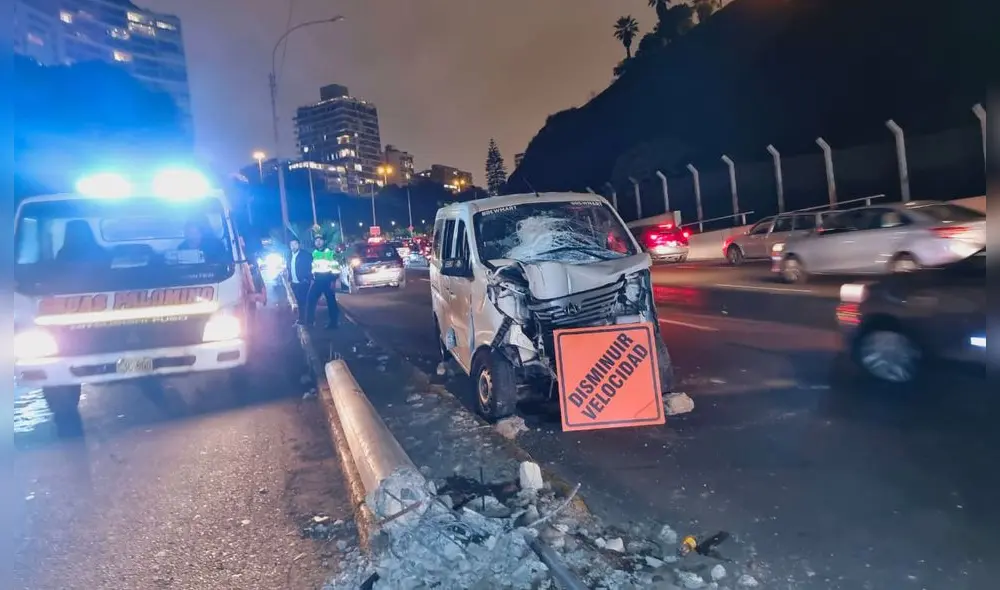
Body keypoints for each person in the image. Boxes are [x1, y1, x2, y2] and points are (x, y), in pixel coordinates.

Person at [305, 235, 341, 329]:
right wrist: (312, 278)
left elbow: (335, 268)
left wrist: (333, 281)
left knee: (331, 302)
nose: (318, 242)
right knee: (311, 299)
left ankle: (334, 323)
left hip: (328, 280)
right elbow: (313, 267)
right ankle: (310, 321)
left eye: (320, 240)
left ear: (324, 242)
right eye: (316, 240)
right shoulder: (314, 253)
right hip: (317, 281)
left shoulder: (329, 253)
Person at [287, 238, 312, 325]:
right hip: (294, 283)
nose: (293, 246)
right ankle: (302, 319)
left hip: (303, 282)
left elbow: (311, 267)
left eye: (295, 244)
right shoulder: (289, 255)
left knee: (305, 302)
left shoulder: (305, 255)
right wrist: (289, 279)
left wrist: (307, 279)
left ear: (299, 245)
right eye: (291, 245)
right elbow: (289, 267)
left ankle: (309, 320)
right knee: (300, 302)